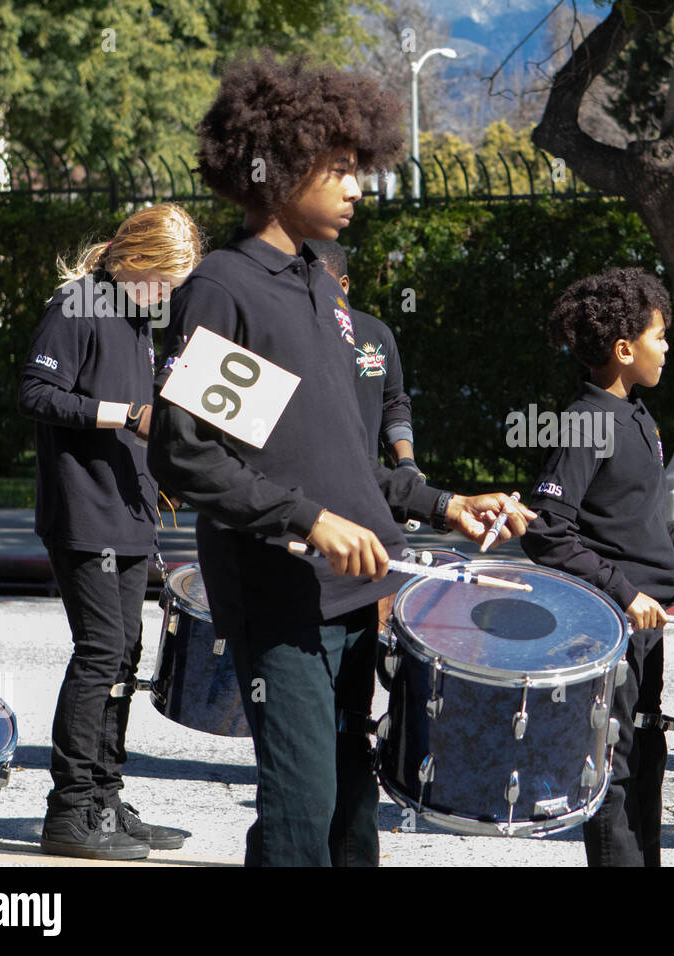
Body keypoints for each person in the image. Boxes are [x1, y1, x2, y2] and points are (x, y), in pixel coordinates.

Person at [147, 53, 532, 867]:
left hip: (355, 591)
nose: (361, 189)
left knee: (352, 805)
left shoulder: (320, 290)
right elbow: (185, 453)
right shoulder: (226, 286)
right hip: (278, 590)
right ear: (281, 167)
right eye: (342, 171)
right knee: (303, 806)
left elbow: (347, 460)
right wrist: (309, 521)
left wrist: (444, 504)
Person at [521, 267, 674, 867]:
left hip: (648, 628)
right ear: (625, 351)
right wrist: (622, 594)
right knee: (612, 768)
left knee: (648, 759)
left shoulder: (637, 418)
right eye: (659, 336)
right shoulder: (585, 423)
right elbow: (547, 531)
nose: (668, 347)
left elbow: (627, 523)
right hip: (613, 630)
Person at [18, 203, 201, 860]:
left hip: (126, 512)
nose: (167, 295)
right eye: (164, 280)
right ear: (136, 259)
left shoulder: (132, 315)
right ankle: (69, 813)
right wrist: (125, 412)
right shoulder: (79, 304)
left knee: (124, 654)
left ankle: (105, 800)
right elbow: (36, 393)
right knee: (100, 655)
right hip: (84, 513)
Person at [304, 239, 419, 473]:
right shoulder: (283, 334)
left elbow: (393, 403)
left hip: (366, 485)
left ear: (343, 285)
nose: (309, 291)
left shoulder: (376, 334)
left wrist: (407, 464)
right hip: (303, 492)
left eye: (319, 283)